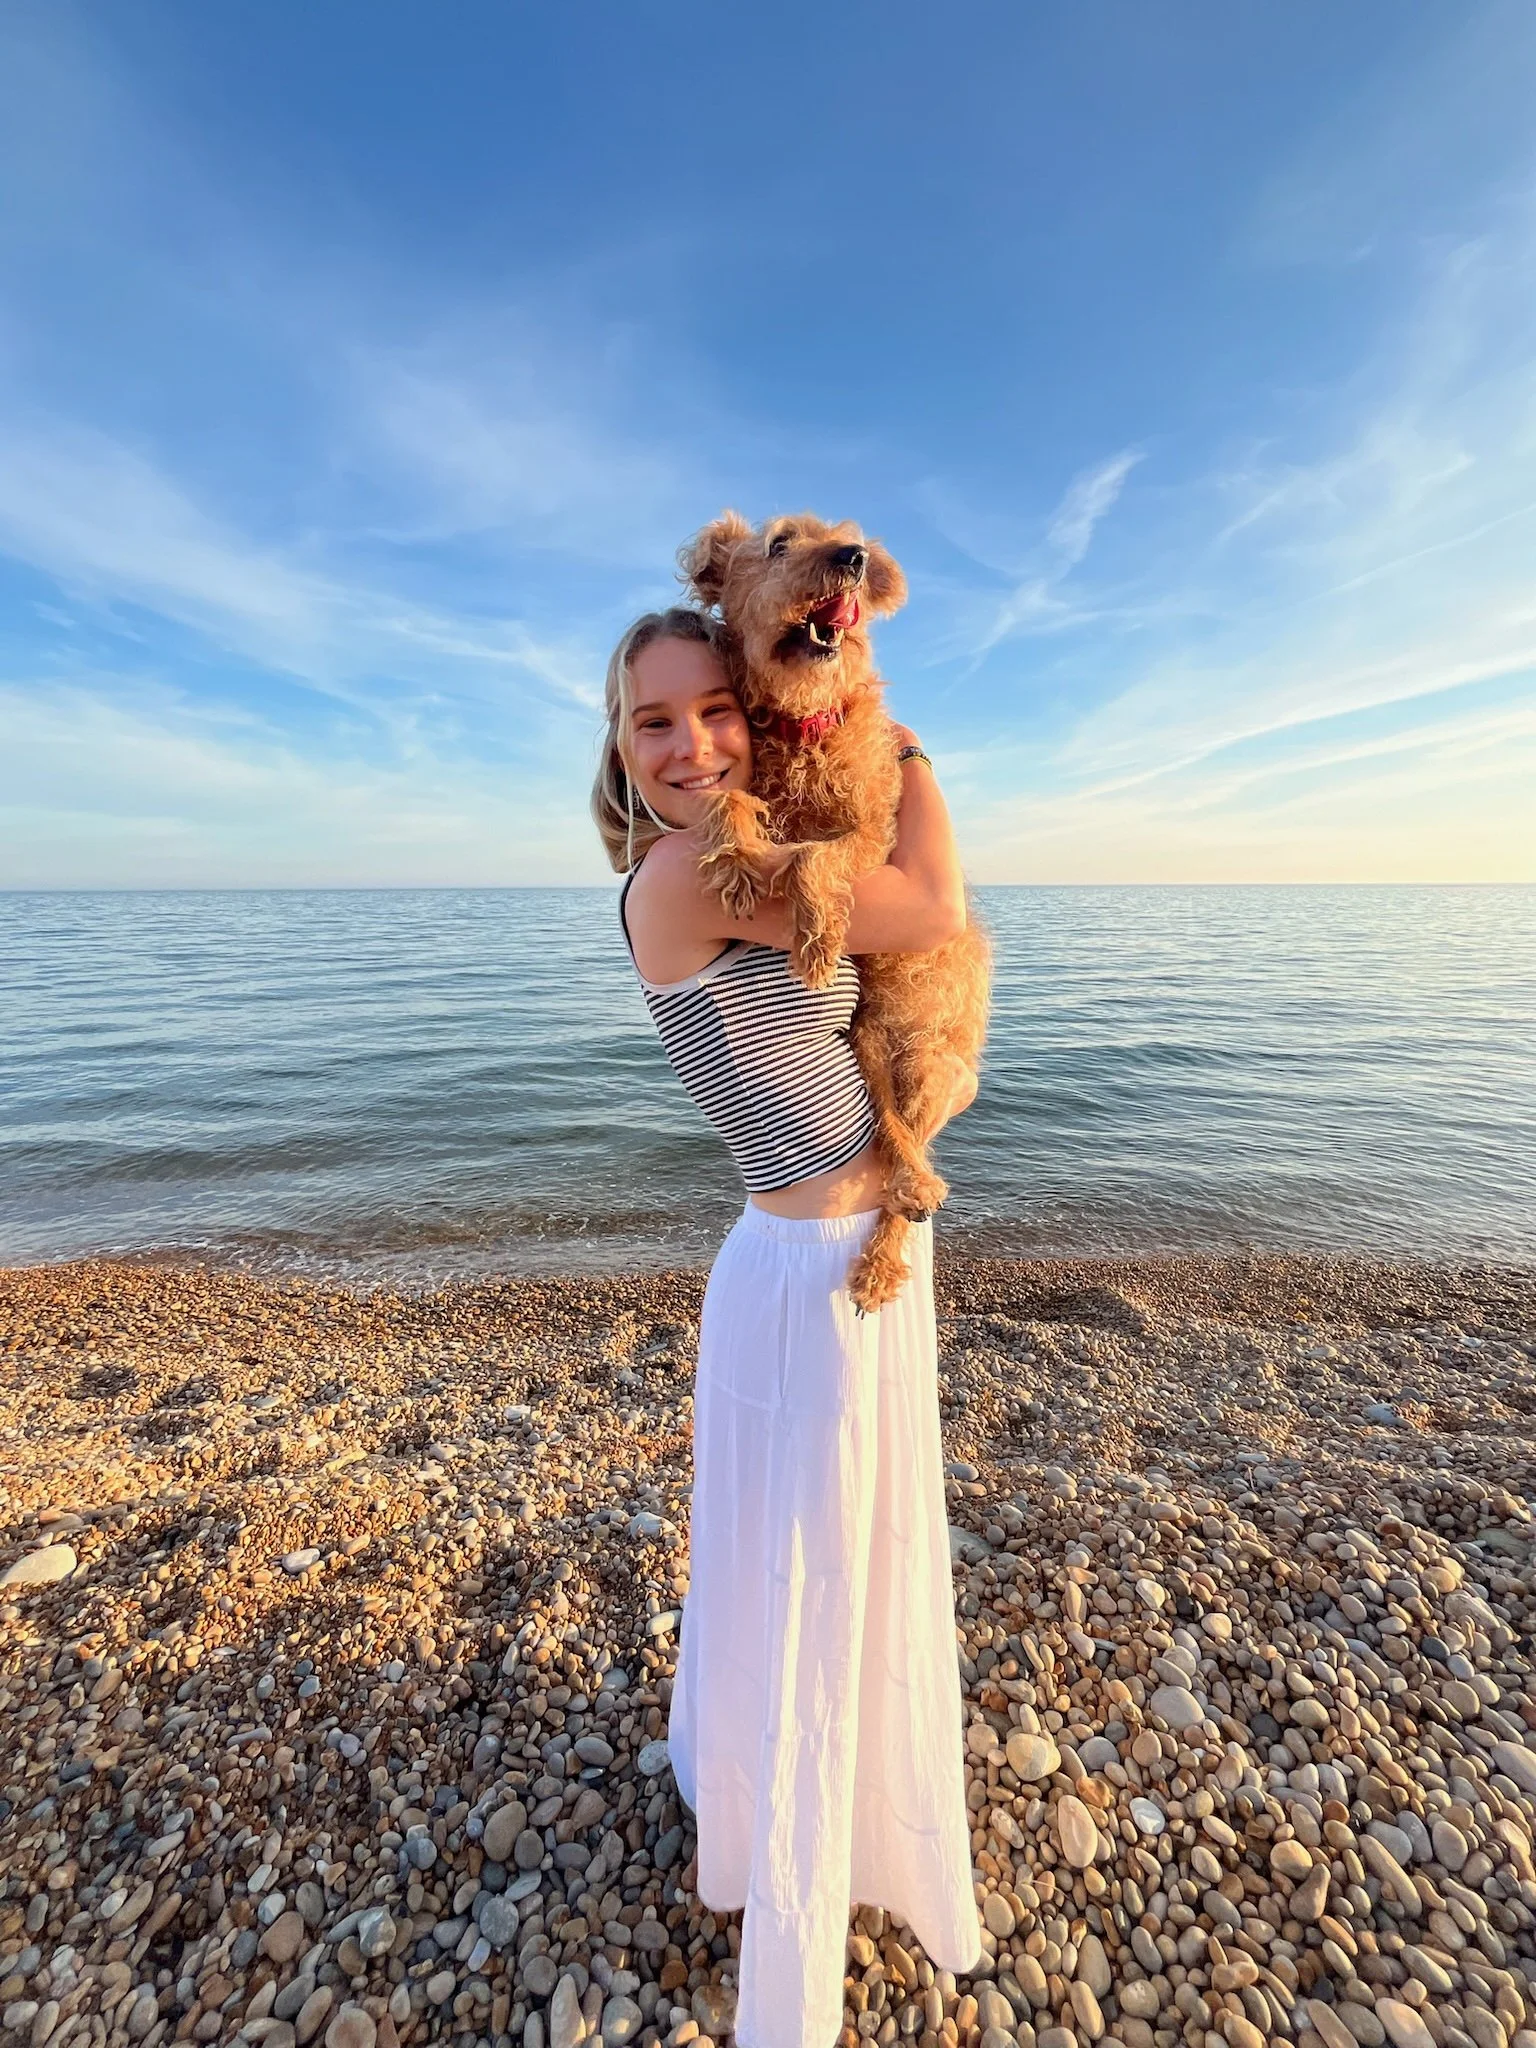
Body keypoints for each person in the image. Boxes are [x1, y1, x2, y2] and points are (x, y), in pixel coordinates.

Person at [590, 604, 983, 2048]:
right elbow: (930, 903)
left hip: (852, 1256)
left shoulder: (741, 854)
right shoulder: (695, 873)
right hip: (809, 1275)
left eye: (718, 710)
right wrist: (910, 738)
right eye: (654, 720)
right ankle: (798, 1881)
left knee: (833, 1553)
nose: (691, 744)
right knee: (812, 1569)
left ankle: (808, 1810)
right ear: (618, 746)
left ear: (759, 718)